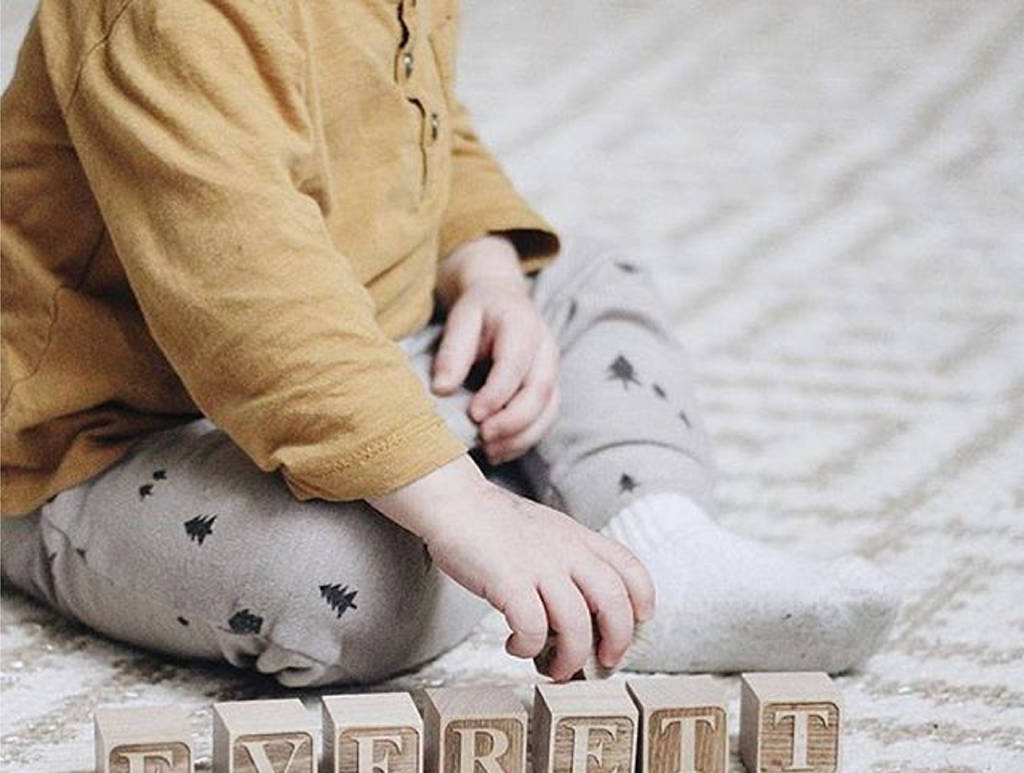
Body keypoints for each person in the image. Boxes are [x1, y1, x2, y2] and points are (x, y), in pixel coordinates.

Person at [0, 0, 901, 688]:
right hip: (111, 440)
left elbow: (425, 130)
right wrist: (463, 513)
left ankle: (655, 537)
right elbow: (248, 300)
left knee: (583, 274)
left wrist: (484, 269)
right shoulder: (165, 20)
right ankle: (504, 526)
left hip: (359, 347)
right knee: (349, 590)